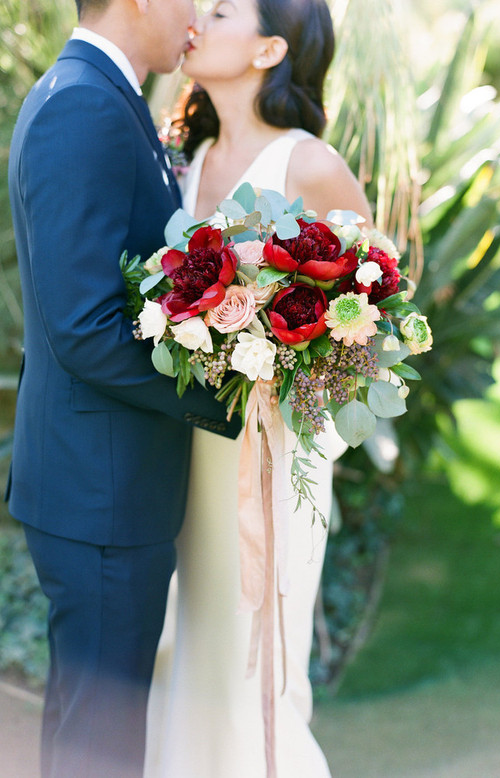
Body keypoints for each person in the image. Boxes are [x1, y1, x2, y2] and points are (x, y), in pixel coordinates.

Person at [6, 0, 241, 776]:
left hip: (103, 483)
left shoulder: (102, 98)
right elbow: (84, 327)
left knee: (90, 737)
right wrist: (229, 394)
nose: (199, 16)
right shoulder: (82, 105)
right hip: (99, 489)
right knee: (97, 750)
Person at [144, 1, 374, 776]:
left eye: (219, 8)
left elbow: (370, 318)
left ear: (270, 47)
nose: (195, 16)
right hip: (184, 448)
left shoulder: (309, 164)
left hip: (273, 461)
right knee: (183, 648)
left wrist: (280, 359)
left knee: (256, 660)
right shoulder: (187, 159)